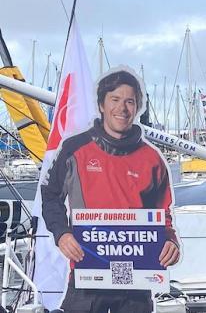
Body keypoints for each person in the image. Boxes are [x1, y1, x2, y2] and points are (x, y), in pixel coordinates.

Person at [41, 69, 180, 313]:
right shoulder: (74, 149)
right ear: (101, 105)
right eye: (115, 100)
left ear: (137, 108)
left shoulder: (152, 159)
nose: (122, 108)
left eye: (130, 101)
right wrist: (61, 233)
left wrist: (170, 241)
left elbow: (163, 214)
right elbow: (50, 196)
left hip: (136, 279)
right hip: (87, 271)